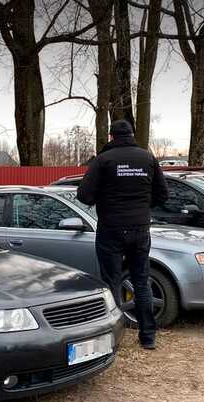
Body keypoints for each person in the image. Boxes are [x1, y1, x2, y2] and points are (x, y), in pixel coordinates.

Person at [77, 120, 169, 349]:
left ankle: (113, 339)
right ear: (131, 135)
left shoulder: (103, 160)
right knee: (141, 280)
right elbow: (163, 195)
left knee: (112, 282)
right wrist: (142, 206)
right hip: (140, 229)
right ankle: (148, 337)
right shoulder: (148, 158)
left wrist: (105, 197)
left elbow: (84, 196)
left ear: (111, 136)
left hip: (111, 229)